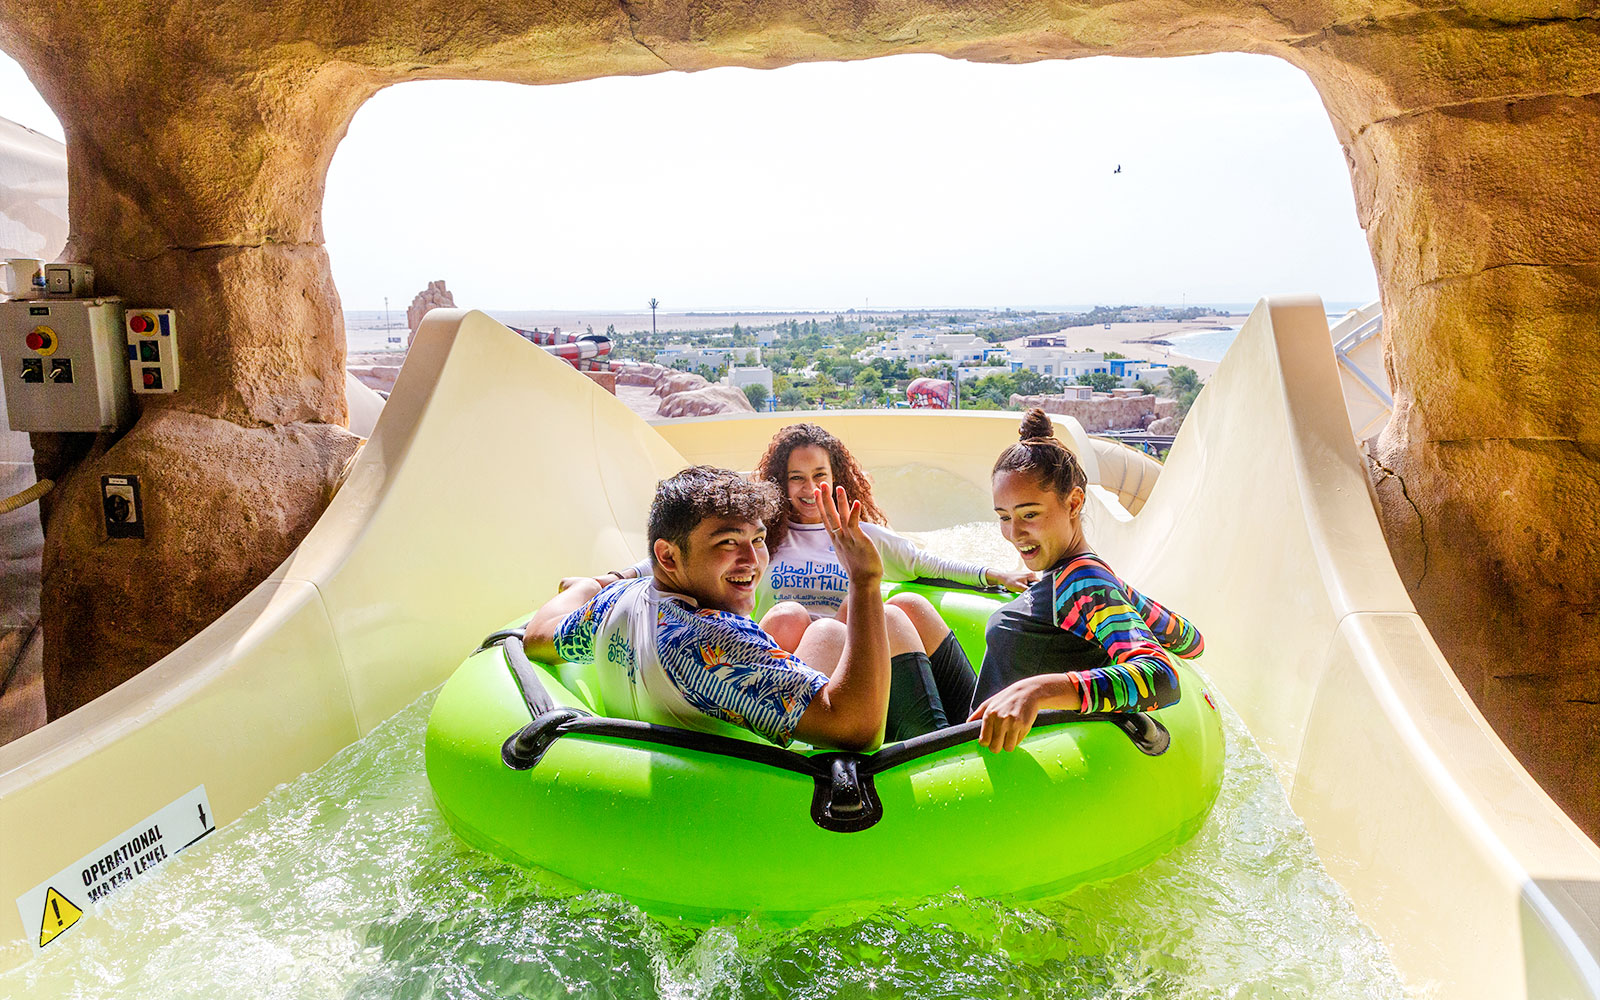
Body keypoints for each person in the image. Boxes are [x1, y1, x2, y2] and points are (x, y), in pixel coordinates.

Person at [526, 466, 913, 750]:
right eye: (728, 543)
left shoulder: (618, 600)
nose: (751, 560)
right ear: (668, 556)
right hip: (772, 801)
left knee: (799, 619)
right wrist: (865, 582)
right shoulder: (707, 637)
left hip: (683, 770)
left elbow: (537, 636)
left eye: (757, 539)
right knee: (854, 626)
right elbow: (858, 730)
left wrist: (589, 585)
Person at [749, 423, 1035, 728]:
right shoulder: (762, 540)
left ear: (835, 479)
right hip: (797, 672)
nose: (810, 488)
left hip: (857, 671)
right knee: (792, 617)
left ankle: (960, 727)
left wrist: (994, 575)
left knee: (905, 605)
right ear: (781, 483)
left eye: (820, 476)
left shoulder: (860, 535)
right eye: (797, 478)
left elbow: (923, 563)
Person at [968, 409, 1205, 752]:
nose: (1014, 533)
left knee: (897, 615)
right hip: (983, 724)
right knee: (912, 609)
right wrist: (1121, 592)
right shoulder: (1085, 575)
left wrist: (1038, 691)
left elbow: (1161, 677)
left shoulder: (1083, 580)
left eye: (1029, 514)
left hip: (983, 752)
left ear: (1075, 502)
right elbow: (1191, 641)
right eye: (1004, 517)